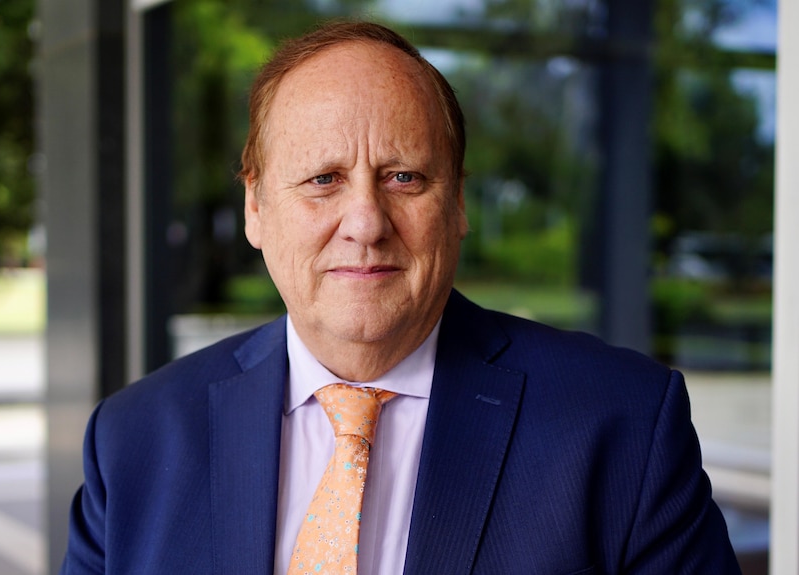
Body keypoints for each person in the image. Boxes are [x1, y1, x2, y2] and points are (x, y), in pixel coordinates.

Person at [60, 20, 741, 575]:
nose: (365, 221)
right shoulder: (133, 441)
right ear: (256, 207)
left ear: (460, 202)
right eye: (324, 179)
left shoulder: (622, 429)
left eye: (405, 176)